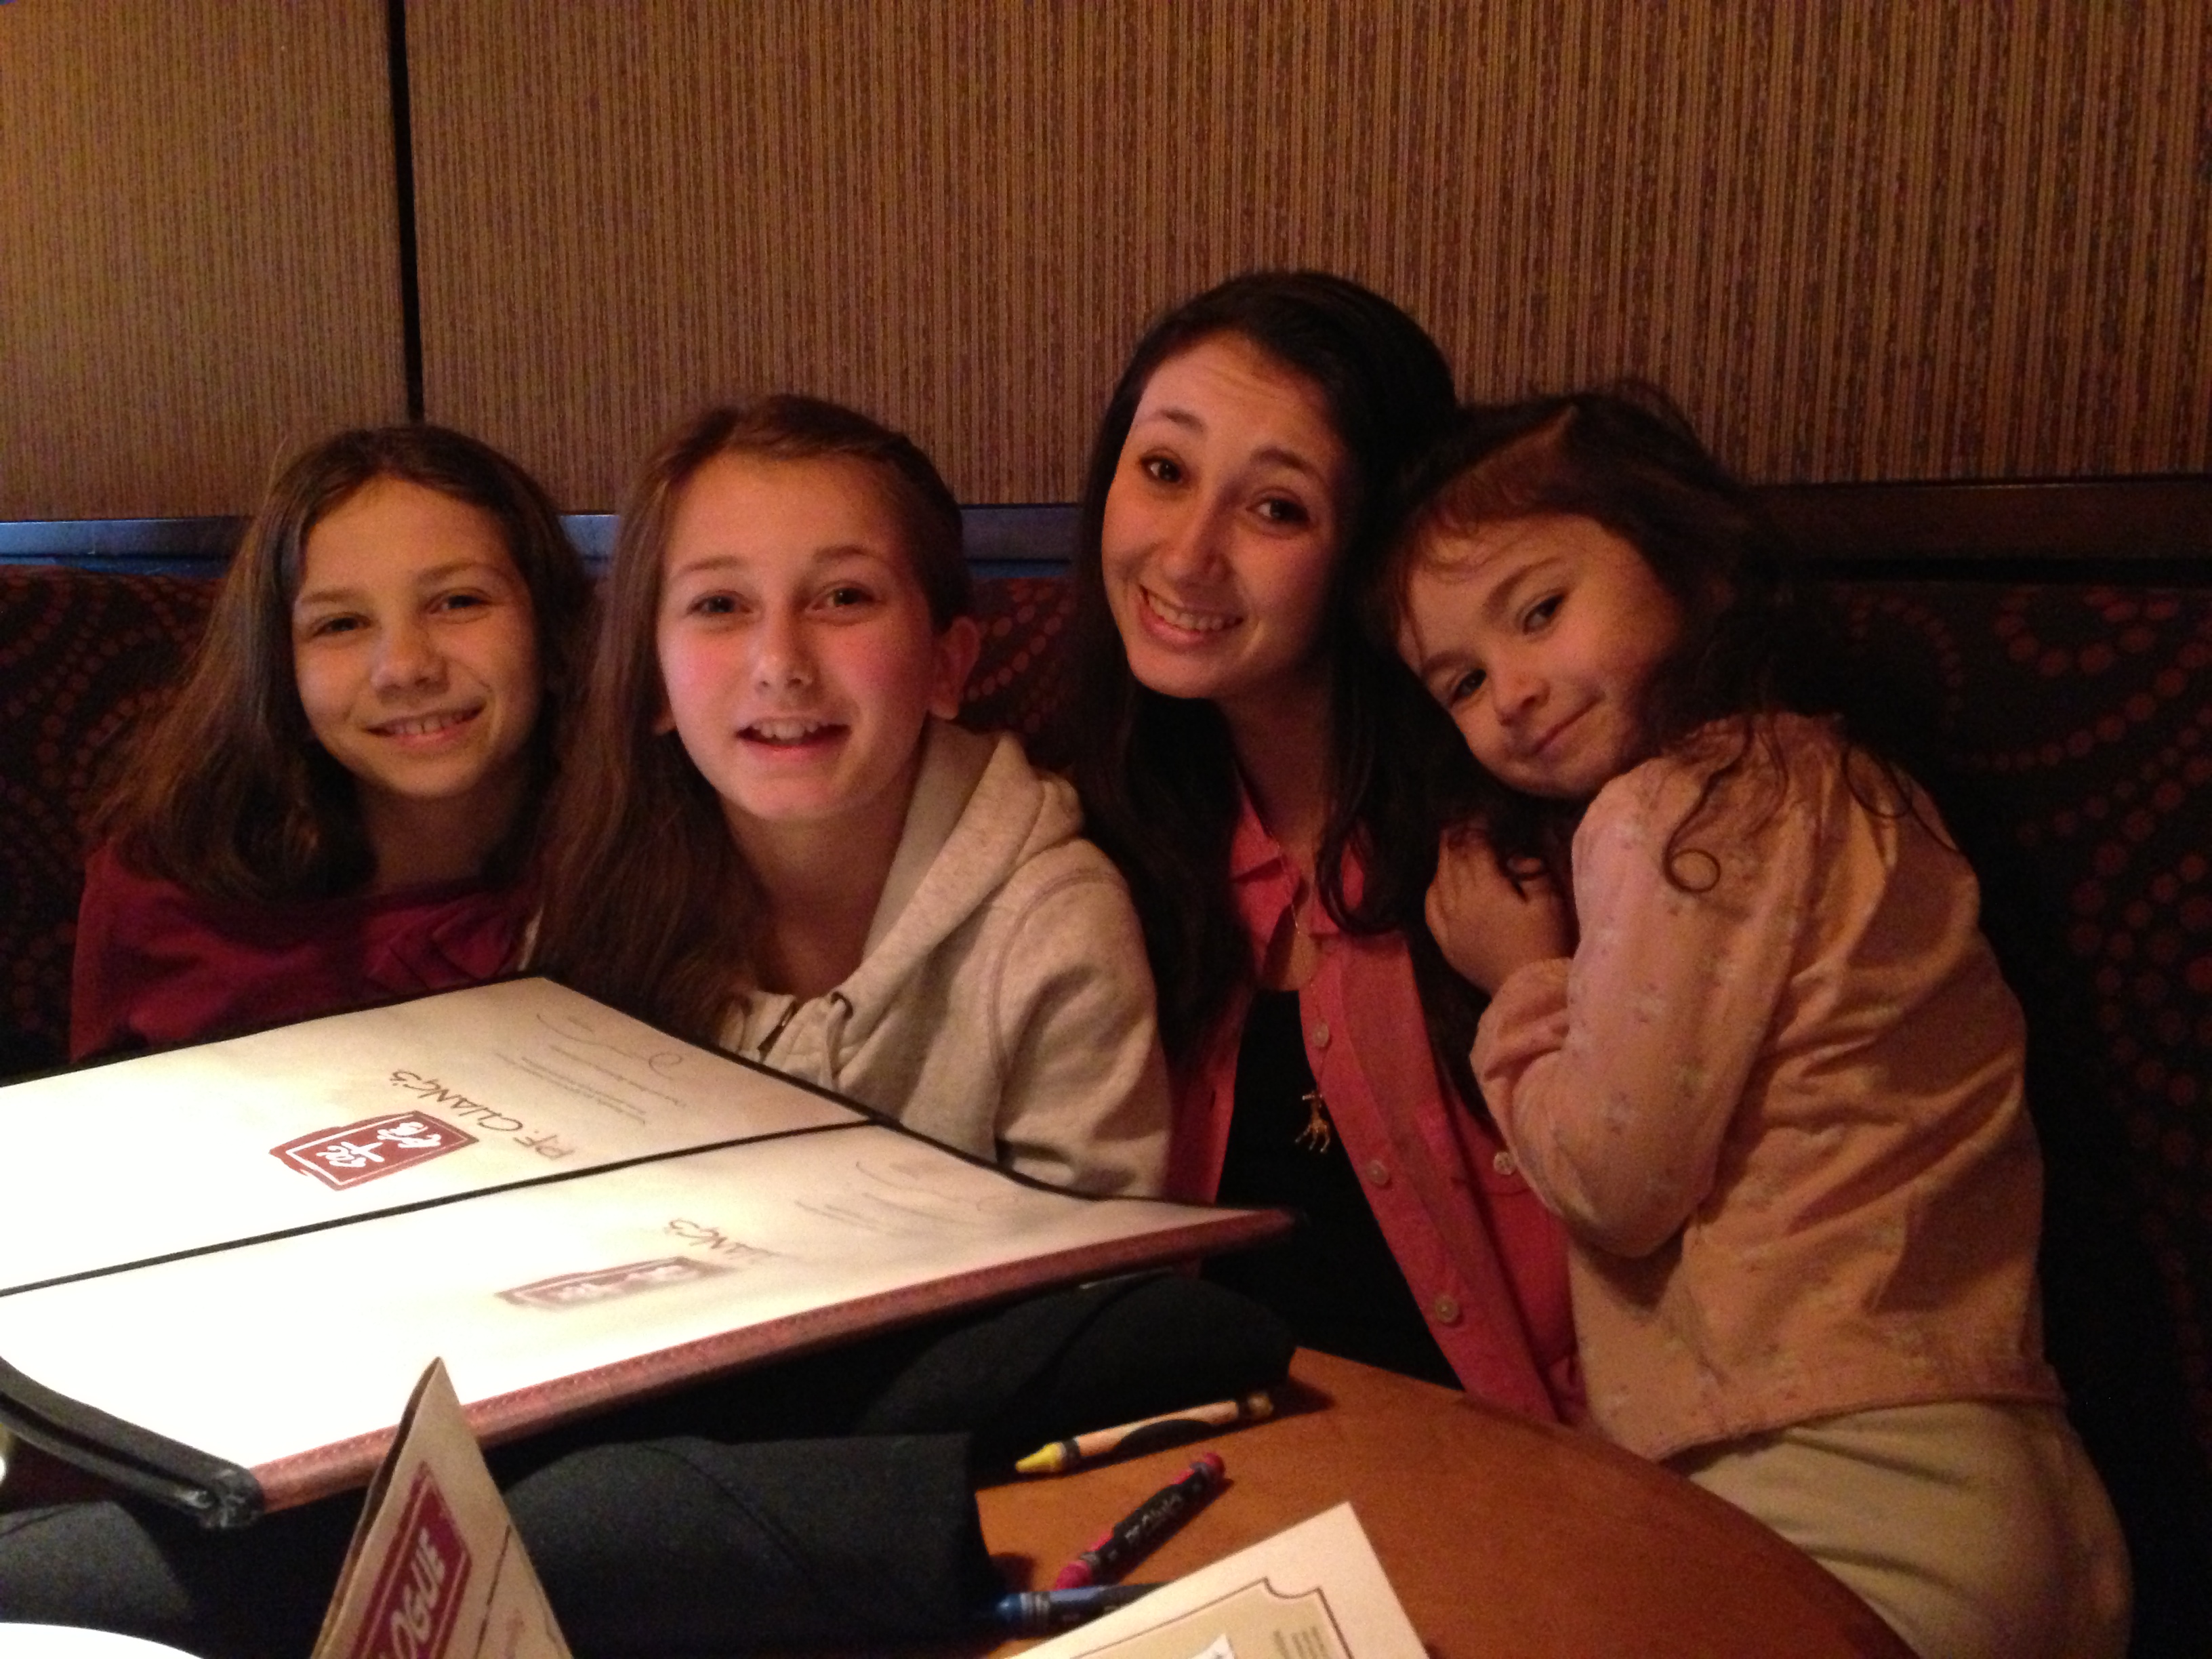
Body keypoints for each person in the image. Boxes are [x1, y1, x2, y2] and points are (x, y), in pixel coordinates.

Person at [1385, 387, 2131, 1658]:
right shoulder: (1850, 784)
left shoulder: (1671, 814)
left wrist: (1522, 978)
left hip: (1825, 1476)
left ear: (1692, 563)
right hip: (2010, 1459)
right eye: (1459, 679)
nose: (1508, 691)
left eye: (1540, 609)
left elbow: (1613, 1179)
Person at [1050, 270, 1578, 1417]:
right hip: (1214, 1468)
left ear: (1371, 549)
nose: (1186, 555)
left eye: (1275, 508)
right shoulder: (1104, 835)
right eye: (1164, 471)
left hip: (1519, 1482)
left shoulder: (1516, 843)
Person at [530, 392, 1168, 1195]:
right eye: (720, 605)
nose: (780, 663)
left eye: (844, 597)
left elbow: (1103, 1258)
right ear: (653, 678)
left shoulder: (1054, 929)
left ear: (946, 664)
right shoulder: (602, 892)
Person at [70, 424, 594, 1061]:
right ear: (279, 669)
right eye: (341, 623)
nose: (404, 667)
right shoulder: (161, 885)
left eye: (458, 602)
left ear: (552, 632)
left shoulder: (641, 874)